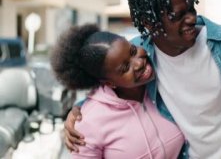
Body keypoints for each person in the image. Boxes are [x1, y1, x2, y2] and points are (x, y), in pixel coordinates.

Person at [63, 0, 221, 158]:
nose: (191, 18)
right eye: (177, 16)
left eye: (191, 8)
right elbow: (108, 84)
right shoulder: (141, 54)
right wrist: (77, 111)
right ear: (149, 23)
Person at [50, 24, 185, 158]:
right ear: (109, 83)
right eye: (125, 68)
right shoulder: (88, 122)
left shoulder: (161, 79)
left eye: (133, 51)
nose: (138, 63)